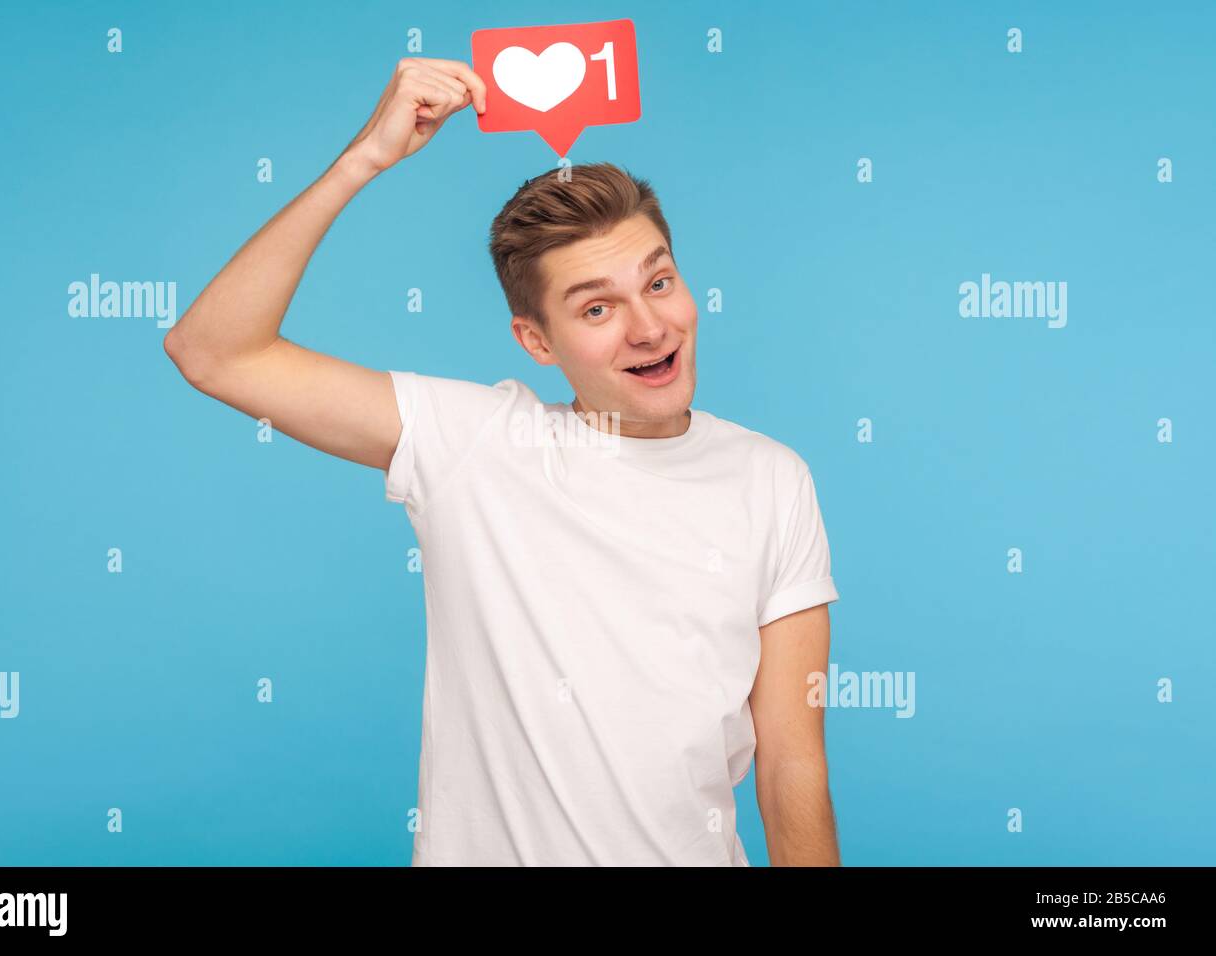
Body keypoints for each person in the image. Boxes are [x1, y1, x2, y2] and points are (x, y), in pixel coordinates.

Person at [164, 56, 841, 866]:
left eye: (659, 283)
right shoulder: (474, 444)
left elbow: (792, 763)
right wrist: (364, 160)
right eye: (597, 307)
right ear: (537, 341)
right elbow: (214, 352)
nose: (649, 327)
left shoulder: (772, 479)